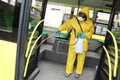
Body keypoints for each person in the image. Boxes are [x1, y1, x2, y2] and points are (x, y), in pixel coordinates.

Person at [56, 7, 94, 78]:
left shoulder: (90, 23)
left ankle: (78, 72)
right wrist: (59, 29)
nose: (81, 17)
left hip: (83, 42)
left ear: (86, 17)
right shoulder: (74, 20)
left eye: (83, 16)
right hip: (74, 41)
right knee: (71, 57)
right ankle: (68, 71)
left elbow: (91, 32)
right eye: (80, 15)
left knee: (81, 58)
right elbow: (66, 25)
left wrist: (85, 35)